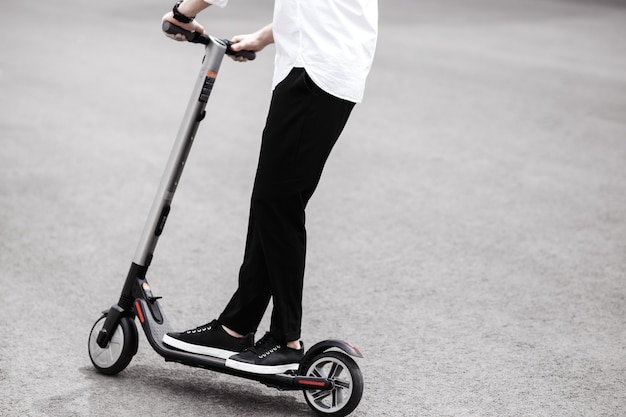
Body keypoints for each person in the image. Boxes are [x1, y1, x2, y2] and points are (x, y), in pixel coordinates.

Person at [161, 0, 378, 375]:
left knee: (279, 202)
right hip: (320, 66)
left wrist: (183, 12)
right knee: (271, 201)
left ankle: (286, 340)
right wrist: (263, 37)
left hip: (315, 74)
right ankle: (236, 326)